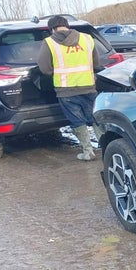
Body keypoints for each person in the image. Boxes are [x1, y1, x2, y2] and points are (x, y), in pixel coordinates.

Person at [37, 15, 101, 161]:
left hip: (66, 90)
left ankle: (88, 151)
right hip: (88, 86)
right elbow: (96, 64)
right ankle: (106, 147)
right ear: (67, 25)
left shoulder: (49, 42)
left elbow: (45, 68)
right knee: (95, 118)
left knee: (77, 121)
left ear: (52, 29)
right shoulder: (87, 38)